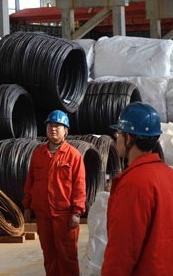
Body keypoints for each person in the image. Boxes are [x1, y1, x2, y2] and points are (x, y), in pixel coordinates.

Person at [102, 102, 173, 276]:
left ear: (129, 138)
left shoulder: (133, 184)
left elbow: (122, 251)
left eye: (119, 133)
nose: (116, 138)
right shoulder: (168, 175)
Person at [23, 110, 86, 276]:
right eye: (50, 125)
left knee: (67, 256)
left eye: (58, 126)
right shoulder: (38, 154)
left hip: (64, 216)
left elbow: (79, 185)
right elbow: (31, 181)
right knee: (49, 255)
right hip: (43, 215)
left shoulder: (73, 155)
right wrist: (27, 205)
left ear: (66, 130)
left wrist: (77, 212)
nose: (53, 129)